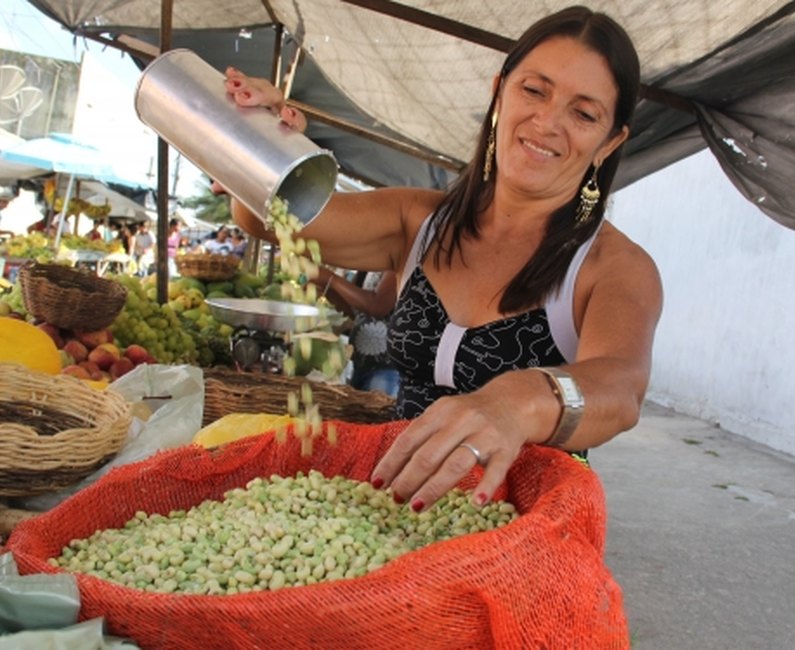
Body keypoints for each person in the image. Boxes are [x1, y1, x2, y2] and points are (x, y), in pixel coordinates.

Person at [223, 7, 662, 511]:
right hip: (390, 513)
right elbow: (270, 218)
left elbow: (622, 388)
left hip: (525, 537)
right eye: (534, 90)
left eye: (584, 114)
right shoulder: (418, 222)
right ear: (500, 91)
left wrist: (525, 399)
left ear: (610, 141)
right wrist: (261, 137)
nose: (547, 122)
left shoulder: (613, 266)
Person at [312, 268, 400, 397]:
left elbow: (378, 306)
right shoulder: (369, 265)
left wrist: (331, 279)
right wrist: (327, 289)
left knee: (375, 415)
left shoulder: (395, 266)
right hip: (362, 364)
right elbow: (355, 311)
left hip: (385, 368)